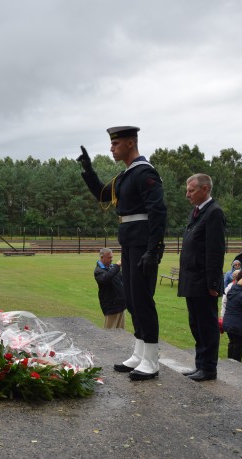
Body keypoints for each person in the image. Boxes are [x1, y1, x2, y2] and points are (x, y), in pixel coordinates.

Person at [78, 126, 167, 381]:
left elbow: (158, 213)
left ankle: (151, 358)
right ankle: (140, 353)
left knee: (143, 299)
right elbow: (102, 194)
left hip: (142, 244)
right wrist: (89, 170)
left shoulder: (145, 172)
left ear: (130, 143)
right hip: (129, 242)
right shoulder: (126, 175)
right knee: (131, 298)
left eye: (116, 144)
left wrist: (154, 250)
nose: (111, 148)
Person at [178, 173, 226, 381]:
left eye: (191, 190)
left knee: (207, 325)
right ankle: (200, 365)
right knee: (195, 325)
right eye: (187, 190)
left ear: (205, 189)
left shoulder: (214, 212)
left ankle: (208, 368)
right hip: (191, 280)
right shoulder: (197, 212)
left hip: (203, 282)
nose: (187, 194)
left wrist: (213, 282)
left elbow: (215, 251)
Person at [94, 248, 126, 329]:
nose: (111, 260)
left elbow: (122, 280)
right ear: (102, 257)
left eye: (112, 257)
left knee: (121, 332)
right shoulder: (98, 271)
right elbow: (106, 278)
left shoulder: (112, 268)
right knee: (109, 333)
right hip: (112, 307)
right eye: (109, 258)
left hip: (121, 305)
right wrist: (117, 266)